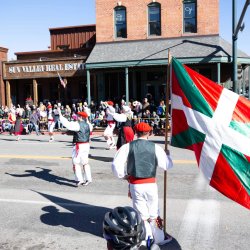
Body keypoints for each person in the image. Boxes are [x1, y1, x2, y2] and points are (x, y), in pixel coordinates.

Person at [112, 122, 173, 245]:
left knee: (141, 213)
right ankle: (159, 238)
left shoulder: (128, 147)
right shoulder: (155, 147)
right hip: (151, 184)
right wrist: (168, 155)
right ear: (149, 133)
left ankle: (146, 238)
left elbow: (116, 165)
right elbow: (167, 165)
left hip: (135, 184)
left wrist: (124, 176)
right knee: (154, 212)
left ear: (135, 133)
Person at [58, 109, 93, 186]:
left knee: (76, 162)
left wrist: (61, 115)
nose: (77, 117)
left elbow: (68, 124)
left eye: (78, 116)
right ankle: (88, 178)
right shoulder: (89, 125)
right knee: (85, 162)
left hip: (79, 145)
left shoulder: (77, 125)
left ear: (80, 117)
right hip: (86, 145)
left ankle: (79, 179)